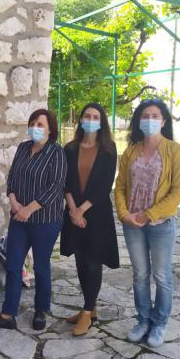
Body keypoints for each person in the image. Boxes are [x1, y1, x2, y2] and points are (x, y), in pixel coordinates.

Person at [0, 109, 66, 331]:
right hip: (18, 218)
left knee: (41, 266)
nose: (35, 127)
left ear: (50, 129)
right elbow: (12, 177)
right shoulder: (22, 148)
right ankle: (8, 313)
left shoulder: (56, 153)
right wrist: (12, 200)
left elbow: (55, 187)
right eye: (32, 123)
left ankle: (41, 310)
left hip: (45, 220)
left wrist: (29, 209)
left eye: (40, 124)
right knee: (13, 264)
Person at [115, 98, 180, 348]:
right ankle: (143, 320)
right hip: (132, 224)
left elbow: (178, 192)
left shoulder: (175, 151)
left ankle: (159, 324)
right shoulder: (130, 151)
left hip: (161, 224)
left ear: (163, 121)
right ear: (138, 121)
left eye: (155, 116)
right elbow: (120, 187)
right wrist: (124, 214)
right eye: (145, 116)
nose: (150, 120)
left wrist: (149, 214)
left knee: (162, 275)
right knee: (140, 274)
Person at [61, 103, 119, 336]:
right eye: (87, 116)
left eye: (96, 117)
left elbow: (105, 185)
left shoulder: (109, 149)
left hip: (97, 214)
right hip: (73, 212)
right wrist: (73, 210)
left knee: (93, 263)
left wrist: (82, 210)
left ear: (102, 122)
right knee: (81, 262)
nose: (91, 120)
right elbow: (65, 183)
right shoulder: (69, 148)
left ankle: (86, 311)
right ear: (81, 120)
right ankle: (90, 308)